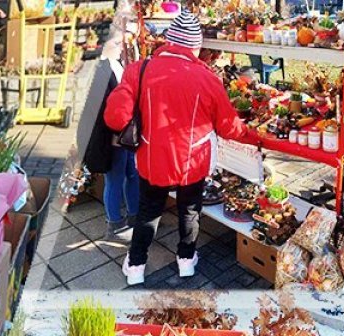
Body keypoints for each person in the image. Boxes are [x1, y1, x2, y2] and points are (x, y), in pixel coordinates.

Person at [103, 11, 257, 285]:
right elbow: (229, 128)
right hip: (192, 160)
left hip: (153, 157)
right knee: (190, 211)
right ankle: (186, 261)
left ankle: (136, 266)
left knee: (149, 212)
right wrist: (252, 135)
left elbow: (115, 117)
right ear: (195, 46)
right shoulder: (207, 77)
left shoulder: (140, 69)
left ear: (169, 42)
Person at [79, 10, 141, 240]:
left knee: (132, 174)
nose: (124, 42)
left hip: (124, 133)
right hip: (113, 136)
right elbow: (97, 111)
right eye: (120, 39)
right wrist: (112, 134)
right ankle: (114, 223)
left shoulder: (117, 62)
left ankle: (134, 215)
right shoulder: (99, 68)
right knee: (115, 179)